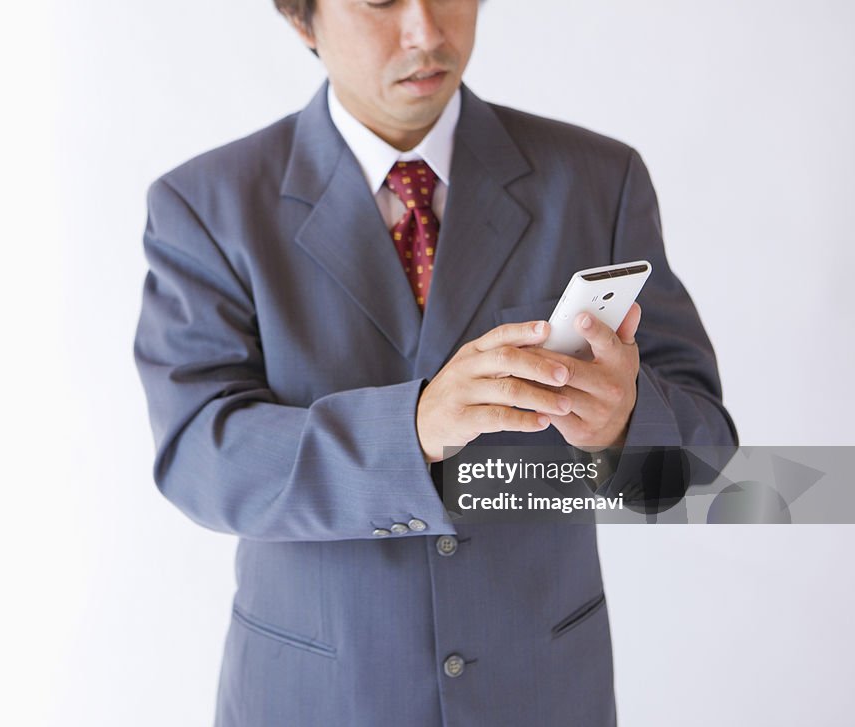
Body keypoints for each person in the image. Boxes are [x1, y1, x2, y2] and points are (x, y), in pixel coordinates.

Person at [133, 1, 737, 724]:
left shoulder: (599, 181)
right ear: (302, 19)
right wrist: (411, 429)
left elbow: (710, 467)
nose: (426, 32)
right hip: (317, 697)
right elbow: (201, 457)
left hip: (542, 693)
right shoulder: (206, 206)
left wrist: (624, 424)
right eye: (381, 1)